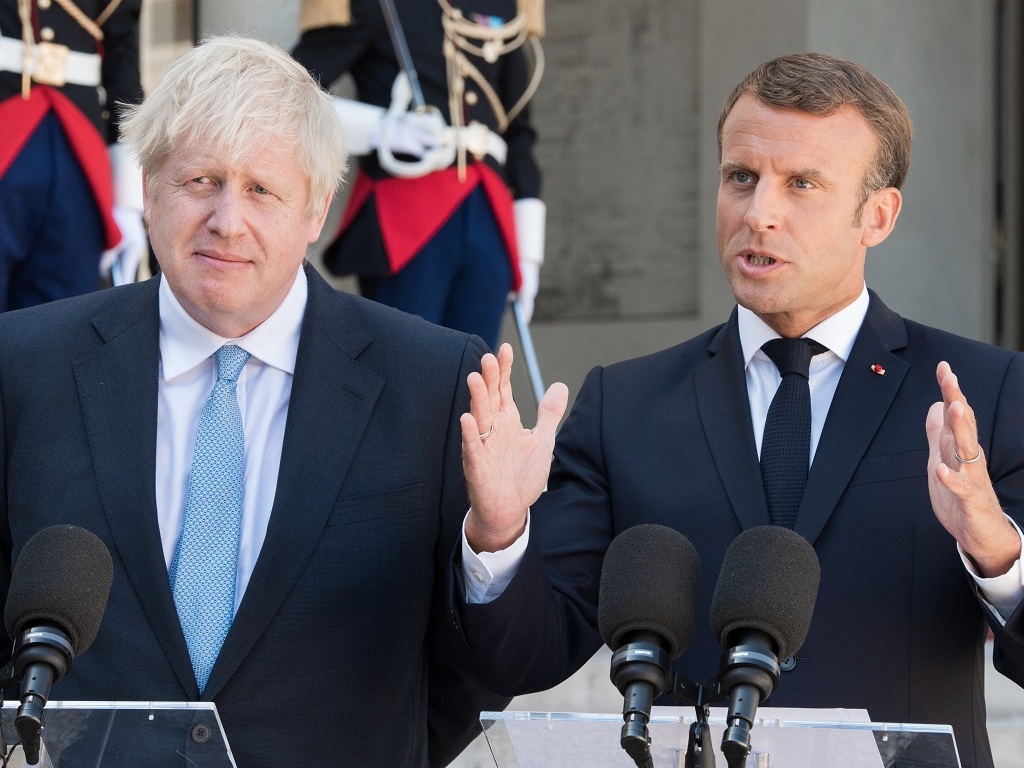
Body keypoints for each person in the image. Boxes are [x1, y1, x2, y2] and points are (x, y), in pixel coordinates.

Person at [452, 52, 1024, 768]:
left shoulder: (985, 394)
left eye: (802, 185)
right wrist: (500, 533)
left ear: (877, 215)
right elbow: (522, 658)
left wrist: (999, 554)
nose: (760, 215)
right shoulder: (622, 407)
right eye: (741, 178)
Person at [0, 35, 506, 767]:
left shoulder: (432, 382)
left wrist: (499, 535)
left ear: (316, 209)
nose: (226, 221)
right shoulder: (22, 364)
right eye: (200, 180)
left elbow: (472, 668)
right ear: (147, 188)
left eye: (262, 189)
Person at [291, 0, 546, 351]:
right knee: (405, 370)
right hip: (408, 218)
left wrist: (529, 252)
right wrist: (382, 129)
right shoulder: (375, 5)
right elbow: (292, 93)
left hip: (489, 214)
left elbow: (518, 131)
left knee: (476, 375)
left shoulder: (503, 5)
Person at [0, 0, 148, 311]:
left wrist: (128, 200)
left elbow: (122, 59)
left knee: (61, 325)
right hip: (8, 133)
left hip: (79, 153)